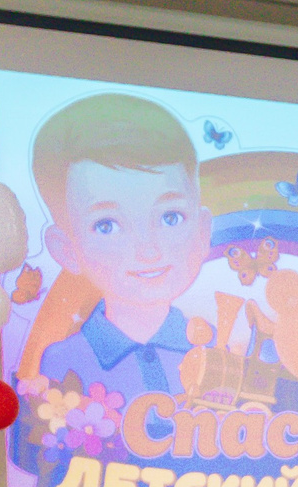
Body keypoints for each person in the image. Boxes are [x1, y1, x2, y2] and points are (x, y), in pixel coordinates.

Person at [27, 93, 210, 399]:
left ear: (203, 231)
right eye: (107, 226)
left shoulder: (214, 346)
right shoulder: (62, 362)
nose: (148, 250)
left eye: (170, 217)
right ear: (66, 251)